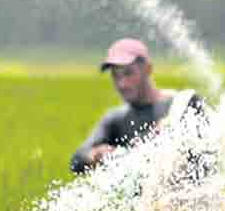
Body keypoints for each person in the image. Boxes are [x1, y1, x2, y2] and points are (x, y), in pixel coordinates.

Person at [69, 38, 206, 174]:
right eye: (115, 76)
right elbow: (77, 161)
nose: (122, 84)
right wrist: (95, 155)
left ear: (147, 69)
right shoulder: (116, 120)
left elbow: (207, 156)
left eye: (128, 73)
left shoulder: (183, 104)